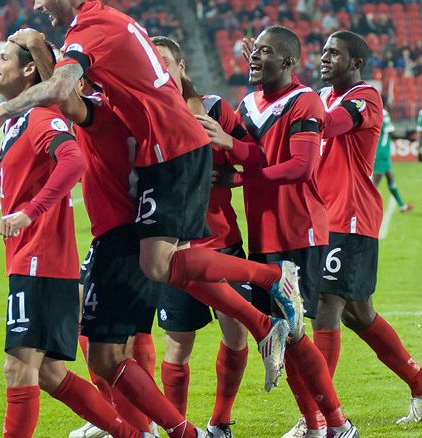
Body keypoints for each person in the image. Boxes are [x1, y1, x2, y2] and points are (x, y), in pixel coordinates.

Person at [0, 1, 304, 406]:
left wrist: (6, 107)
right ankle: (263, 316)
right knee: (161, 278)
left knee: (138, 312)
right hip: (160, 160)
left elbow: (62, 92)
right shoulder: (107, 77)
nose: (37, 5)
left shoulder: (93, 39)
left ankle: (274, 282)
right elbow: (66, 94)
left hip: (163, 160)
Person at [0, 39, 154, 438]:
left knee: (18, 368)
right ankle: (133, 435)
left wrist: (30, 211)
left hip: (41, 261)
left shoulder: (41, 116)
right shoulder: (21, 121)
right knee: (51, 374)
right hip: (33, 262)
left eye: (3, 58)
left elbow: (75, 160)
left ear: (30, 70)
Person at [11, 30, 204, 438]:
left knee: (106, 354)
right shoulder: (145, 112)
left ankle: (163, 430)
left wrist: (38, 45)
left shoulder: (107, 114)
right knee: (117, 344)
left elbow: (62, 98)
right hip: (134, 231)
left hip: (120, 235)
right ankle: (150, 428)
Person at [203, 26, 358, 438]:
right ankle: (319, 423)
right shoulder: (249, 102)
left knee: (292, 338)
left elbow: (300, 167)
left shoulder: (304, 100)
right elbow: (252, 152)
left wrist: (238, 180)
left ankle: (329, 423)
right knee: (281, 335)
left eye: (267, 53)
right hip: (263, 236)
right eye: (255, 52)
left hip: (299, 232)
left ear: (289, 62)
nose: (254, 58)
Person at [290, 30, 422, 436]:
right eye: (322, 52)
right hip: (323, 219)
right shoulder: (319, 97)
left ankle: (318, 418)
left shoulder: (365, 96)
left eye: (334, 54)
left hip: (351, 217)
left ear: (355, 63)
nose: (324, 59)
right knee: (360, 314)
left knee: (325, 306)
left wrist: (284, 89)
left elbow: (333, 125)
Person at [151, 35, 250, 438]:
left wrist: (231, 176)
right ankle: (177, 429)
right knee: (178, 344)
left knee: (237, 333)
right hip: (175, 249)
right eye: (152, 64)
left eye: (165, 63)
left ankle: (220, 421)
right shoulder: (144, 114)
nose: (160, 71)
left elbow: (251, 156)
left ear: (181, 66)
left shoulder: (214, 109)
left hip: (221, 240)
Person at [372, 95, 413, 213]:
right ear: (385, 102)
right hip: (381, 153)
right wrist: (406, 136)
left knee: (390, 178)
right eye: (390, 101)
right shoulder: (384, 113)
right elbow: (392, 133)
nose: (391, 103)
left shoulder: (378, 112)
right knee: (374, 185)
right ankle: (365, 209)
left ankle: (402, 205)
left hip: (383, 153)